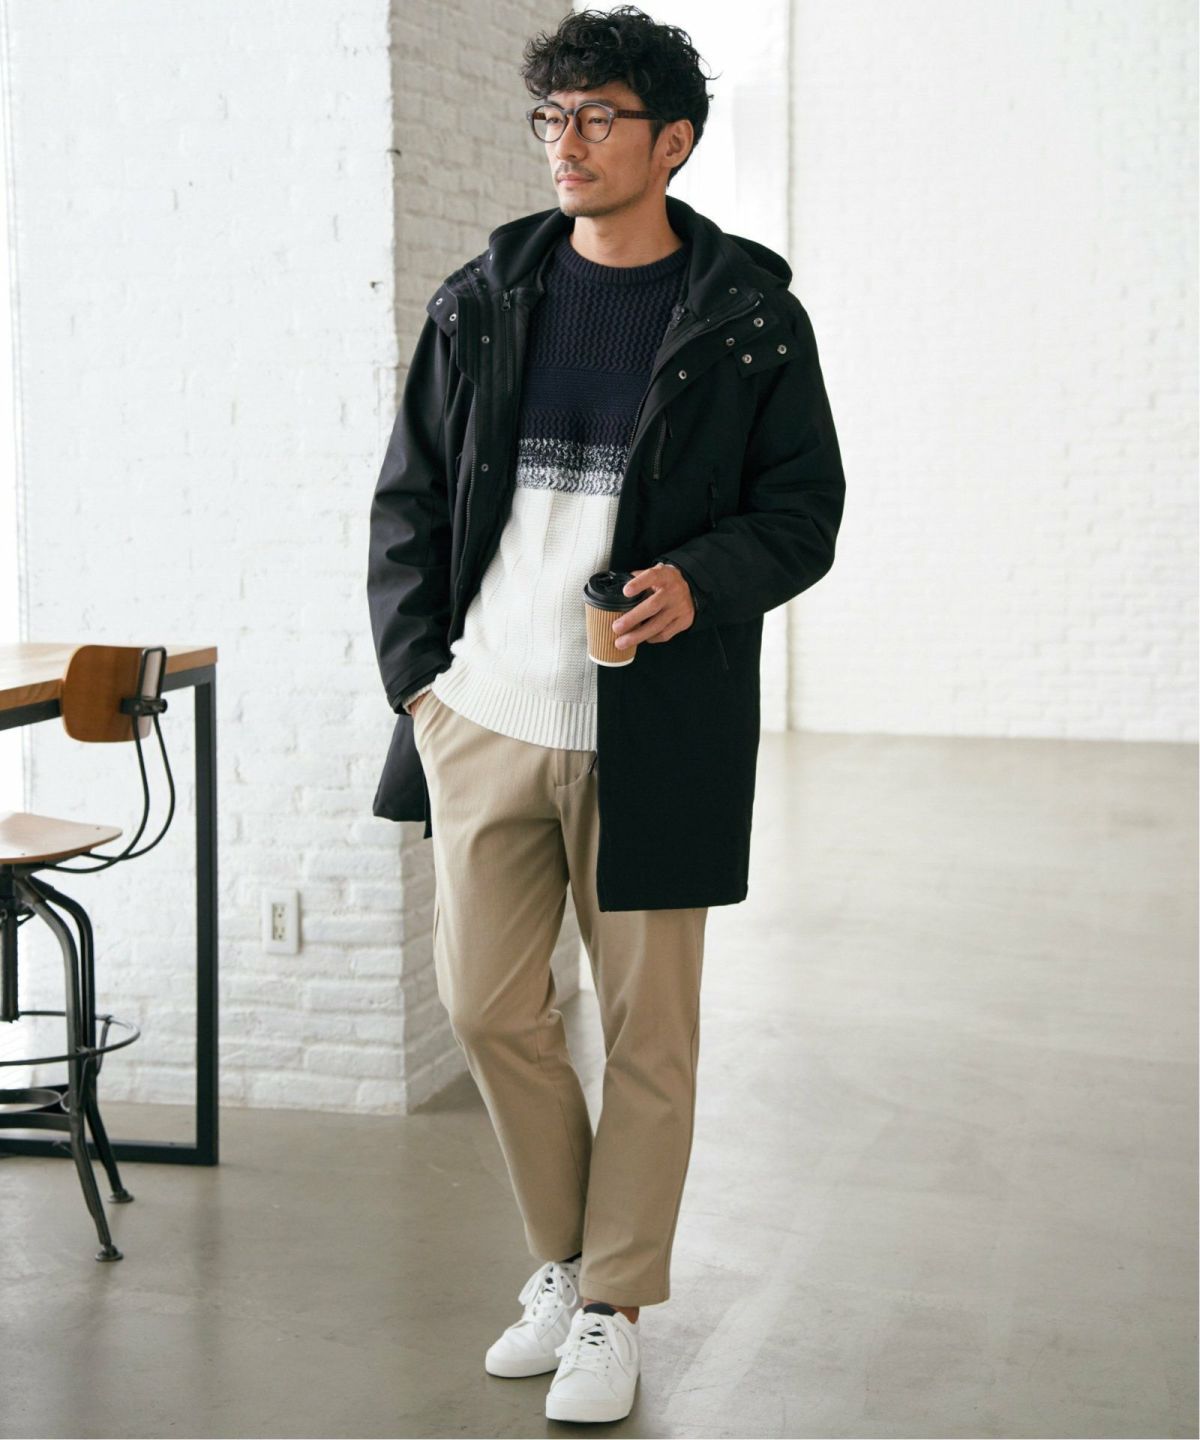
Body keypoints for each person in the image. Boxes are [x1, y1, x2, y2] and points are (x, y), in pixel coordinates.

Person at [366, 4, 845, 1424]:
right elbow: (408, 501)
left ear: (672, 141)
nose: (564, 144)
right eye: (551, 118)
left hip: (655, 730)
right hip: (487, 714)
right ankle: (571, 1265)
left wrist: (703, 582)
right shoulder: (482, 299)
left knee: (648, 1035)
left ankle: (614, 1306)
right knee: (487, 1006)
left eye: (596, 119)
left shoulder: (750, 320)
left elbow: (803, 514)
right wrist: (422, 682)